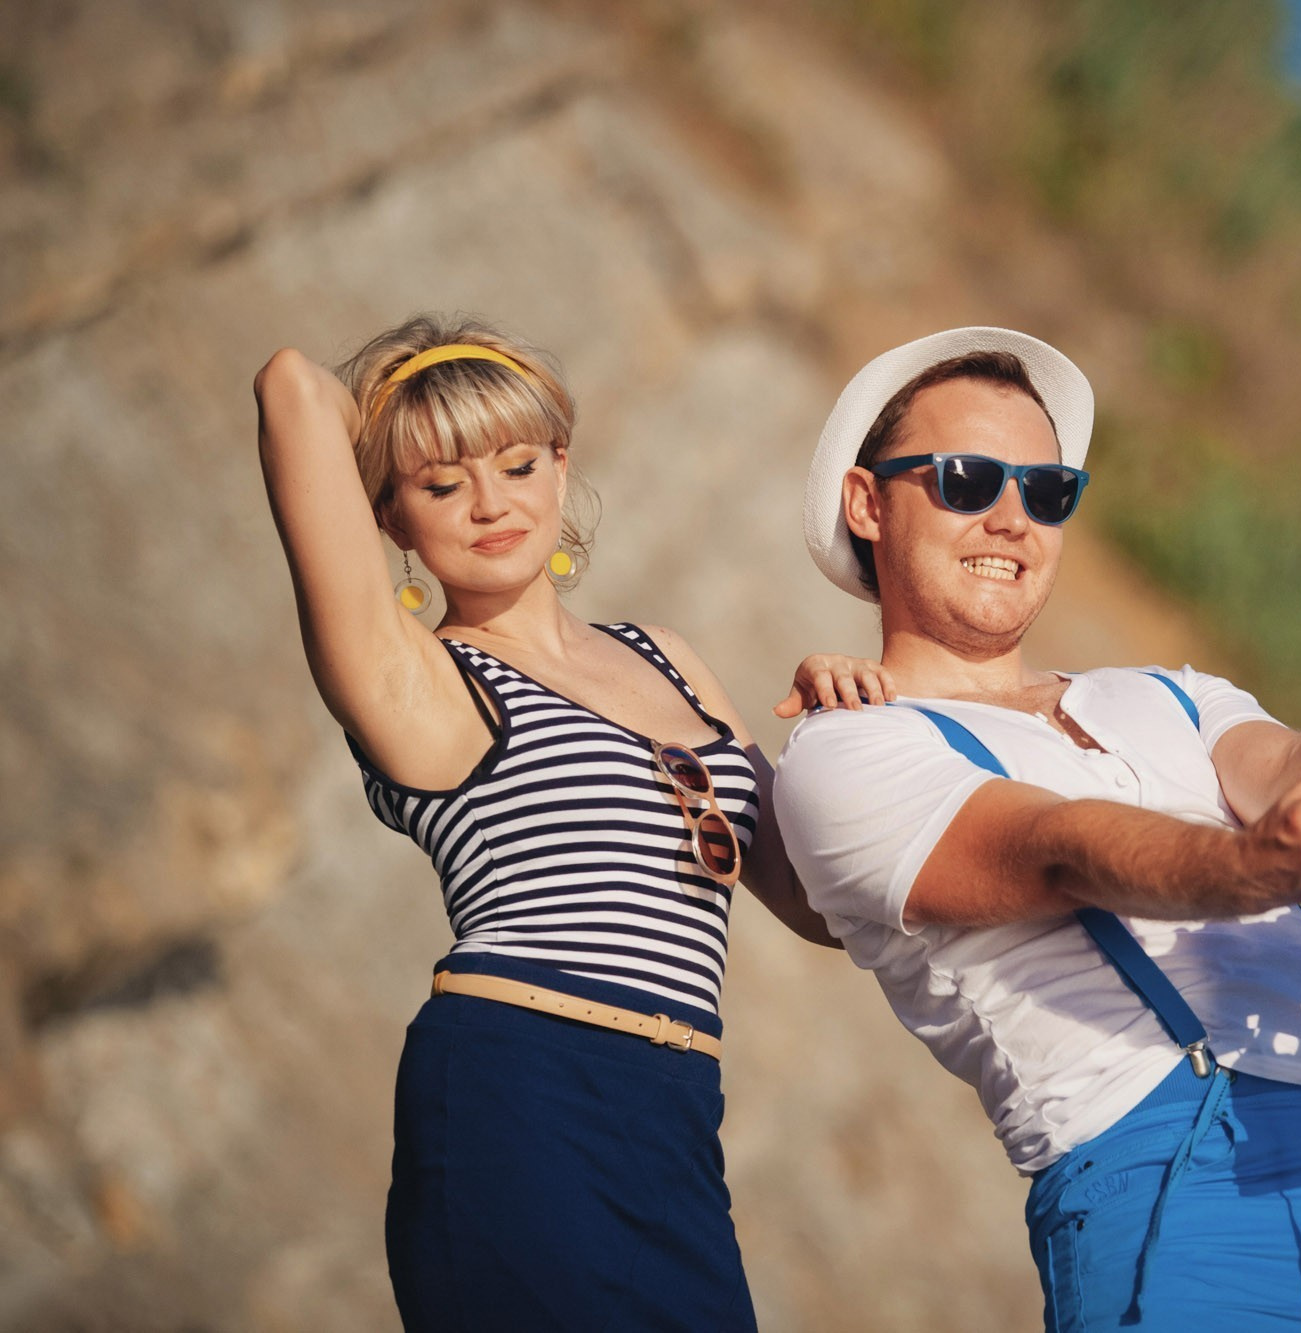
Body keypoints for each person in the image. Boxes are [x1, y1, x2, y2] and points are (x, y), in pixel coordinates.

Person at [773, 328, 1301, 1331]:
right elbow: (1057, 846)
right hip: (1172, 1182)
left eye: (1045, 492)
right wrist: (1252, 865)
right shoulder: (846, 753)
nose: (1011, 519)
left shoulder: (1171, 693)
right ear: (869, 502)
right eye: (967, 480)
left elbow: (1287, 762)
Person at [255, 314, 892, 1332]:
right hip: (519, 1084)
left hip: (674, 1106)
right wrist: (405, 406)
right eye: (440, 483)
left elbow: (819, 906)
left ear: (562, 466)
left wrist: (859, 734)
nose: (489, 503)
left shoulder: (665, 654)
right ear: (390, 515)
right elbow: (293, 385)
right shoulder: (415, 678)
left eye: (515, 463)